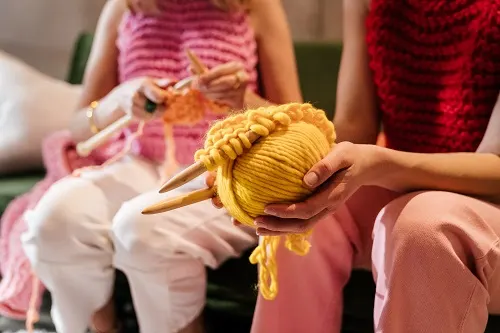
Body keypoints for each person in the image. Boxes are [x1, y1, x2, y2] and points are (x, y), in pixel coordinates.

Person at [0, 0, 302, 332]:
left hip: (224, 172)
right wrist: (119, 100)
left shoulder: (254, 6)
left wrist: (241, 99)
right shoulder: (125, 6)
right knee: (54, 220)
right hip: (140, 161)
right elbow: (78, 125)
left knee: (142, 229)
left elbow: (297, 124)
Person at [210, 0, 500, 332]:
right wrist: (255, 174)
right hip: (404, 187)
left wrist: (379, 163)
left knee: (422, 226)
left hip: (486, 206)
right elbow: (353, 130)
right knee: (301, 205)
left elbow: (496, 169)